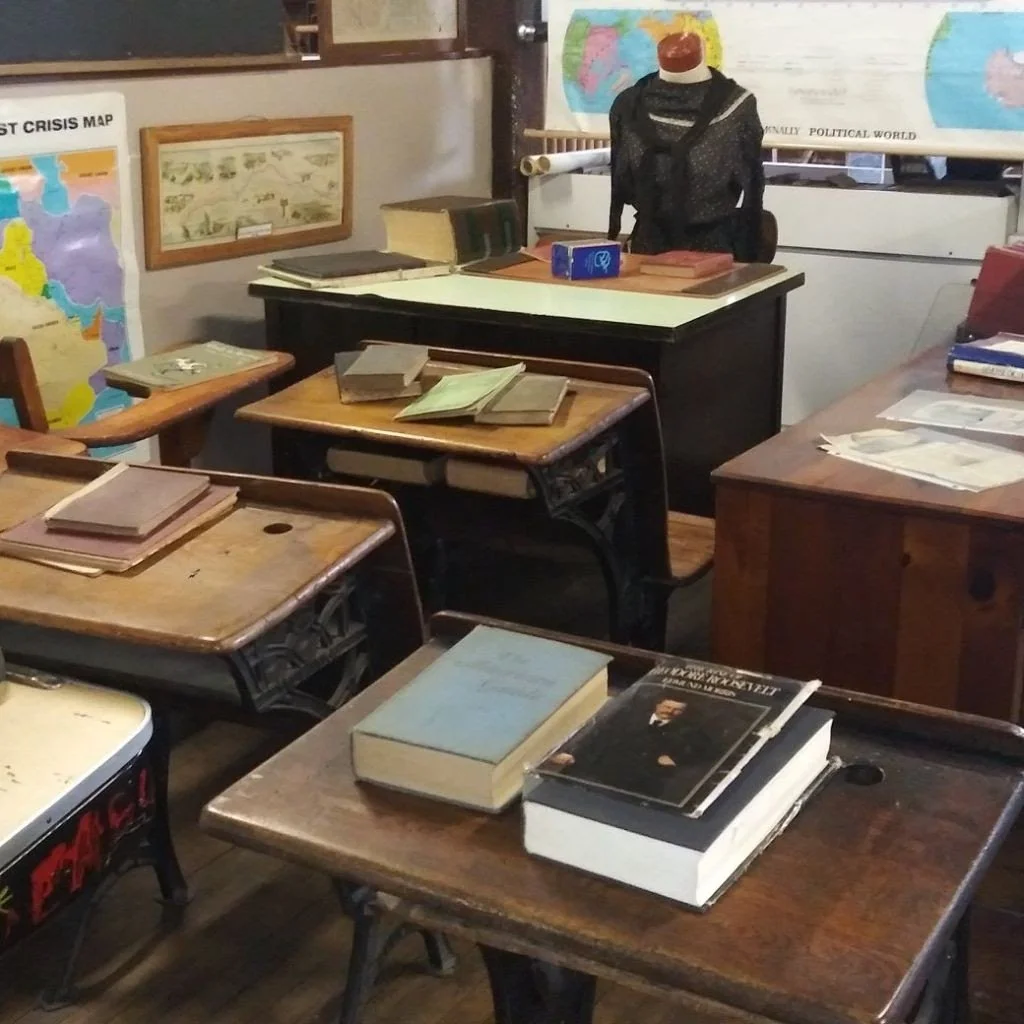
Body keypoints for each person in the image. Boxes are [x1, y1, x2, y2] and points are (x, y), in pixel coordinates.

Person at [608, 31, 765, 259]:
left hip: (711, 254)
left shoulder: (737, 109)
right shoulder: (628, 105)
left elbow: (752, 185)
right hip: (646, 248)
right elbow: (622, 180)